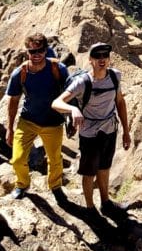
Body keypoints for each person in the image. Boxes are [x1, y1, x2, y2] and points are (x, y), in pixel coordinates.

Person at [52, 42, 131, 214]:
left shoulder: (115, 77)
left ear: (109, 59)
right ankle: (90, 208)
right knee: (89, 173)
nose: (102, 59)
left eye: (105, 56)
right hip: (89, 134)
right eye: (97, 56)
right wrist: (73, 109)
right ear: (90, 60)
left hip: (110, 130)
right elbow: (56, 103)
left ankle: (106, 203)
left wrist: (126, 131)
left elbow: (120, 102)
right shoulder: (82, 82)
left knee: (104, 168)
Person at [5, 31, 69, 201]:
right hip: (28, 120)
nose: (36, 55)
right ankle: (22, 184)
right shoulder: (20, 73)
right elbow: (13, 101)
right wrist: (9, 128)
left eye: (39, 51)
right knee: (17, 159)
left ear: (46, 50)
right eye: (32, 52)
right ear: (27, 52)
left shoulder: (58, 69)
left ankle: (55, 187)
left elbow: (71, 93)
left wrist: (73, 115)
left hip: (53, 122)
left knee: (55, 159)